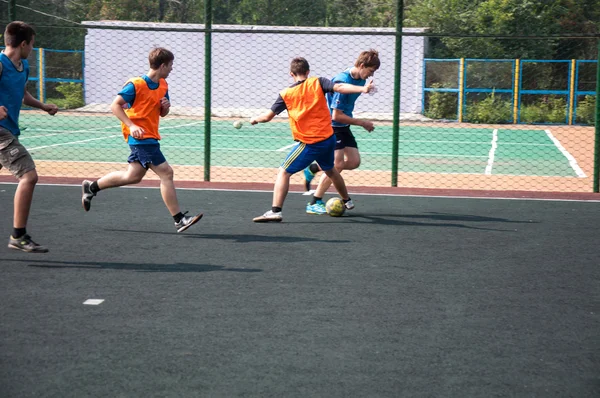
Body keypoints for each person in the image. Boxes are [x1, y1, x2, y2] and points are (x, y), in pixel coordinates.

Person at [80, 48, 202, 232]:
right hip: (140, 138)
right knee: (166, 173)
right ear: (162, 65)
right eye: (170, 65)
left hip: (151, 137)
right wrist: (131, 125)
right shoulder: (135, 85)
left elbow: (163, 113)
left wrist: (165, 107)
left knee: (133, 176)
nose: (172, 69)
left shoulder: (163, 85)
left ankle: (92, 187)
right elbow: (115, 105)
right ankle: (179, 219)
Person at [250, 57, 374, 222]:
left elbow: (267, 117)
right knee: (331, 170)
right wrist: (362, 89)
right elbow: (340, 87)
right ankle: (347, 200)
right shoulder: (318, 82)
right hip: (329, 138)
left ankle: (275, 211)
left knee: (284, 172)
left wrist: (255, 119)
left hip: (310, 142)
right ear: (308, 72)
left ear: (291, 74)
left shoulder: (285, 94)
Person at [1, 21, 59, 253]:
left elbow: (23, 94)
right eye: (32, 44)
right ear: (23, 44)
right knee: (29, 176)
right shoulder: (1, 63)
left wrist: (43, 106)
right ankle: (18, 235)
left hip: (10, 130)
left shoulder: (22, 66)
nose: (33, 49)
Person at [304, 49, 380, 214]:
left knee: (354, 162)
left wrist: (365, 88)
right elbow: (336, 115)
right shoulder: (342, 79)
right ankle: (314, 202)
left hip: (343, 126)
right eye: (370, 71)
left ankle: (316, 168)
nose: (370, 75)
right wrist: (362, 123)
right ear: (361, 65)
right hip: (331, 125)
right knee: (337, 165)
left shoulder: (359, 78)